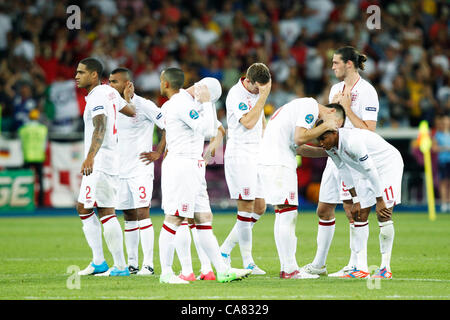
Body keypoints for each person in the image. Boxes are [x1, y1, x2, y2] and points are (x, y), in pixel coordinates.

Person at [157, 67, 251, 284]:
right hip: (182, 164)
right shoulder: (182, 103)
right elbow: (208, 131)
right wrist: (208, 103)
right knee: (175, 218)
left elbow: (212, 129)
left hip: (192, 165)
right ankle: (167, 273)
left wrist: (206, 104)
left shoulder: (186, 104)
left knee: (203, 219)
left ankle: (221, 270)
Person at [299, 46, 380, 278]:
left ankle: (355, 265)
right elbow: (332, 123)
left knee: (351, 210)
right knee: (323, 209)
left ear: (349, 64)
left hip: (352, 157)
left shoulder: (367, 92)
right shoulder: (335, 88)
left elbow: (369, 131)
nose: (332, 66)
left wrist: (346, 109)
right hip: (334, 156)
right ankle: (319, 264)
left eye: (336, 63)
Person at [259, 98, 345, 279]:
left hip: (271, 160)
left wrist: (326, 151)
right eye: (335, 126)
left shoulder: (295, 108)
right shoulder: (310, 107)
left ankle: (287, 267)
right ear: (330, 113)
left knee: (282, 213)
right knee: (288, 214)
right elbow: (300, 137)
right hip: (279, 162)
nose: (331, 130)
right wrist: (324, 126)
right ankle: (291, 270)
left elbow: (298, 146)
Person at [314, 124, 404, 279]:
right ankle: (361, 268)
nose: (321, 143)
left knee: (383, 214)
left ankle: (385, 268)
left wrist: (380, 199)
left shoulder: (352, 141)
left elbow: (371, 169)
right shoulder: (331, 147)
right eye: (318, 139)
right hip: (364, 168)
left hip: (387, 165)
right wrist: (355, 199)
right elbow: (343, 169)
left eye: (323, 138)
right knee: (359, 214)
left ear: (334, 132)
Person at [75, 57, 136, 277]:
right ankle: (99, 262)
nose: (76, 76)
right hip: (108, 159)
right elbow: (130, 111)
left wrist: (91, 156)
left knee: (106, 211)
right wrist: (126, 98)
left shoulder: (98, 95)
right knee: (83, 207)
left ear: (93, 75)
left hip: (101, 162)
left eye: (81, 72)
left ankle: (120, 266)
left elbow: (100, 124)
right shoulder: (109, 93)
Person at [108, 67, 166, 276]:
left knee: (143, 212)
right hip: (120, 169)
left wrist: (158, 152)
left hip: (140, 168)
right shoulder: (114, 105)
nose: (110, 85)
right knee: (128, 215)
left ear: (127, 84)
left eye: (114, 81)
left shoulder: (145, 105)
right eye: (109, 81)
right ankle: (132, 264)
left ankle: (148, 264)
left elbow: (167, 125)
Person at [220, 62, 272, 275]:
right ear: (248, 80)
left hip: (257, 152)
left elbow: (260, 123)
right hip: (240, 153)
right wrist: (262, 97)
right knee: (246, 206)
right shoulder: (236, 94)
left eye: (263, 88)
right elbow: (249, 122)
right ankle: (248, 261)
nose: (259, 92)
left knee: (260, 206)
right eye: (256, 88)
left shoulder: (258, 91)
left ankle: (224, 250)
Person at [18, 108, 47, 207]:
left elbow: (20, 144)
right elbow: (45, 145)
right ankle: (41, 203)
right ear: (37, 118)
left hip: (27, 157)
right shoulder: (43, 129)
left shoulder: (23, 129)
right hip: (39, 157)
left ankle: (24, 201)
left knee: (25, 180)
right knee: (40, 181)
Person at [432, 113, 450, 213]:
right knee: (443, 182)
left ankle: (449, 202)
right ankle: (444, 203)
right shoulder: (438, 135)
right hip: (443, 161)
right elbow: (434, 148)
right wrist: (445, 148)